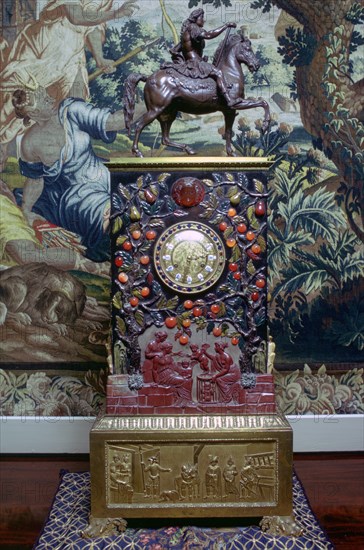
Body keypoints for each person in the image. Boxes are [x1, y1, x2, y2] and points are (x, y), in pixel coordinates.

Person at [0, 0, 138, 150]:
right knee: (25, 100)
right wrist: (117, 13)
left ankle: (73, 152)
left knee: (74, 102)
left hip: (74, 52)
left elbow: (93, 26)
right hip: (50, 44)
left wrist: (99, 57)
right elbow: (76, 16)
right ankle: (4, 141)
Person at [11, 86, 126, 261]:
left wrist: (152, 105)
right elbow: (35, 180)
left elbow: (113, 121)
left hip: (103, 174)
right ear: (33, 114)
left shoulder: (71, 111)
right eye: (44, 100)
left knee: (132, 197)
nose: (50, 99)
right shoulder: (30, 142)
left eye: (46, 95)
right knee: (108, 213)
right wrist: (26, 210)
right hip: (78, 196)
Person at [167, 8, 238, 108]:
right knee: (218, 73)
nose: (203, 20)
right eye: (202, 17)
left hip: (193, 61)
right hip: (195, 63)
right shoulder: (193, 27)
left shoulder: (187, 32)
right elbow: (208, 35)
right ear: (196, 18)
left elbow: (174, 50)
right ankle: (229, 100)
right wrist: (225, 26)